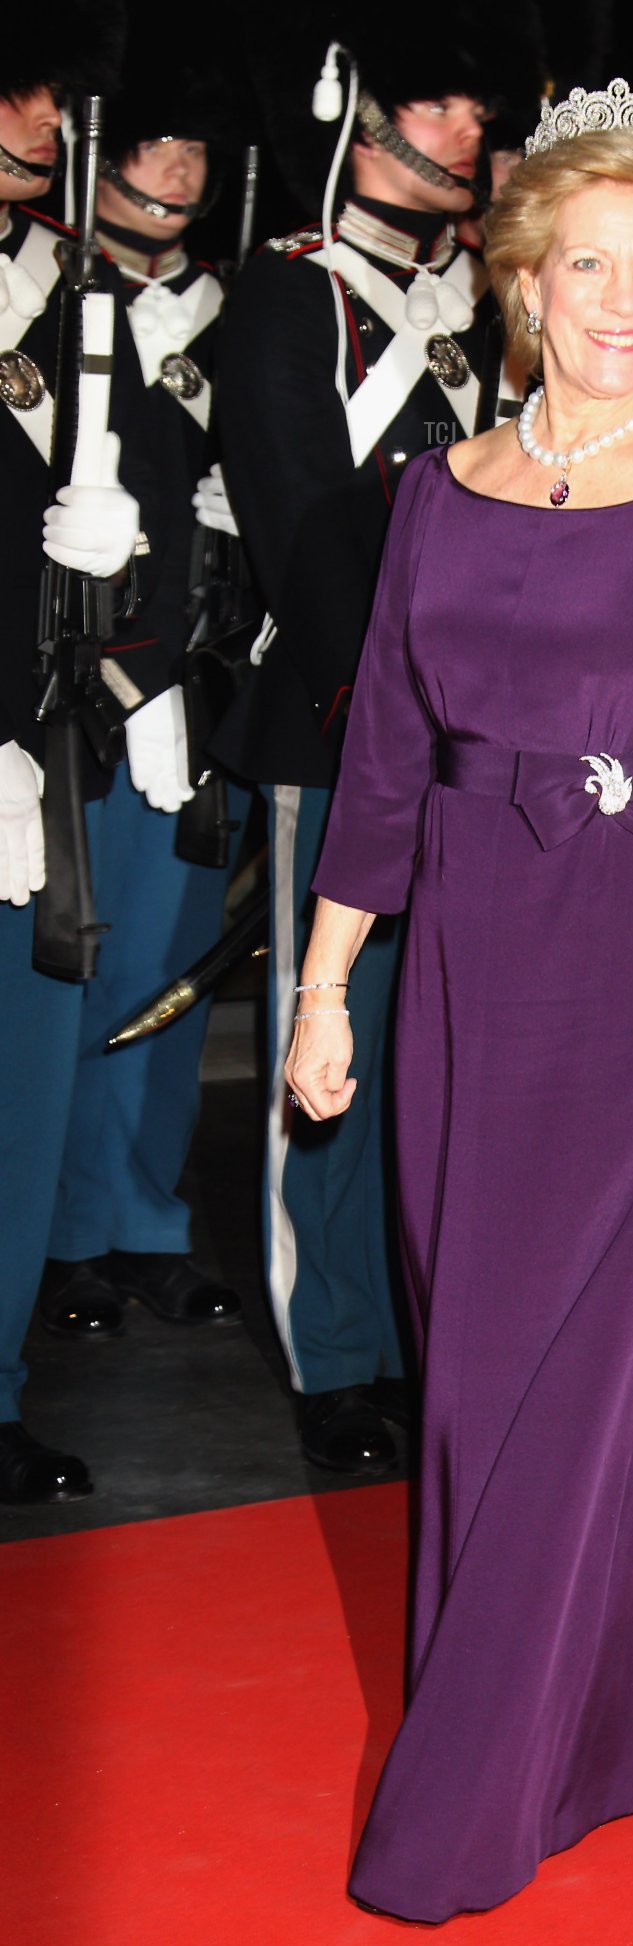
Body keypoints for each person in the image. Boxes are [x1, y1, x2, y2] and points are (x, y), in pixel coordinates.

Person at [286, 79, 633, 1921]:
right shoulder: (432, 499)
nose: (621, 304)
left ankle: (476, 1791)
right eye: (587, 266)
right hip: (467, 962)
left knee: (577, 1357)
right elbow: (383, 752)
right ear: (523, 281)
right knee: (486, 1373)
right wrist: (326, 985)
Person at [213, 18, 504, 1472]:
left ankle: (409, 1332)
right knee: (324, 1055)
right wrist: (395, 702)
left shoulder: (473, 295)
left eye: (470, 103)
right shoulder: (289, 295)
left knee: (435, 1064)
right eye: (433, 100)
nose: (464, 126)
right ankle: (330, 1350)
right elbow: (302, 528)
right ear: (359, 112)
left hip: (473, 741)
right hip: (345, 730)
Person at [38, 45, 248, 1340]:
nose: (176, 173)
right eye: (152, 147)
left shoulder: (231, 307)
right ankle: (57, 1234)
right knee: (71, 977)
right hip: (71, 697)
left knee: (171, 979)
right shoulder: (44, 292)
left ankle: (139, 1217)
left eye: (195, 151)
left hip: (192, 688)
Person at [0, 23, 178, 1501]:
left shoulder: (75, 292)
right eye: (19, 96)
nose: (47, 123)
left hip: (29, 744)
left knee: (22, 1093)